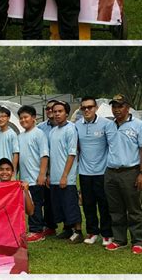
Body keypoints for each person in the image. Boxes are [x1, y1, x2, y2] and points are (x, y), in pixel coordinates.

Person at [104, 94, 142, 254]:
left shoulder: (138, 125)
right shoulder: (109, 126)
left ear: (128, 107)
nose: (116, 110)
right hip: (111, 172)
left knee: (133, 208)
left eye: (120, 106)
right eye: (114, 106)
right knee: (115, 209)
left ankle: (138, 240)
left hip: (130, 171)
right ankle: (119, 239)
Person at [75, 97, 115, 246]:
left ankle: (106, 234)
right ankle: (92, 232)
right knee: (88, 204)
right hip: (85, 172)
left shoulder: (107, 124)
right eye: (84, 107)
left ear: (96, 108)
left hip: (103, 172)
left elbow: (112, 147)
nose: (87, 110)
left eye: (90, 107)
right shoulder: (77, 125)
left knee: (104, 204)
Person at [48, 101, 83, 243]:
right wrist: (50, 174)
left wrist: (65, 176)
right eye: (54, 111)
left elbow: (72, 153)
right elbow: (51, 155)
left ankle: (78, 231)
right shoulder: (52, 132)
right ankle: (67, 229)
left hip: (66, 178)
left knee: (70, 204)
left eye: (60, 111)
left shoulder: (71, 129)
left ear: (66, 113)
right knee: (59, 205)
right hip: (55, 176)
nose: (57, 114)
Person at [17, 105, 49, 242]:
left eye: (26, 117)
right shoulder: (20, 136)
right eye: (21, 118)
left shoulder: (39, 134)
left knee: (36, 204)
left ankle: (37, 231)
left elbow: (44, 155)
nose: (23, 120)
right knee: (28, 204)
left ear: (34, 118)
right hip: (25, 179)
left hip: (36, 177)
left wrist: (42, 174)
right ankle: (33, 228)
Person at [35, 99, 59, 236]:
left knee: (62, 199)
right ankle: (50, 226)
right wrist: (45, 173)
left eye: (53, 109)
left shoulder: (67, 127)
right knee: (47, 200)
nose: (51, 111)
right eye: (48, 109)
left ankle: (70, 227)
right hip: (46, 169)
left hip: (61, 168)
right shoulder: (40, 128)